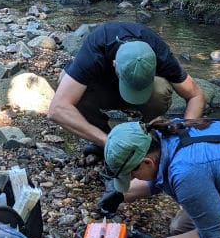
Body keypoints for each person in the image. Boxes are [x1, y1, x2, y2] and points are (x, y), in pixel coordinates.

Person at [47, 21, 205, 156]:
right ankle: (102, 135)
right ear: (114, 64)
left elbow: (196, 95)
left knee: (161, 90)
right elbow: (56, 109)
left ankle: (147, 132)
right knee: (67, 88)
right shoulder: (96, 49)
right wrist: (108, 142)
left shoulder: (158, 52)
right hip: (101, 90)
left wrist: (185, 133)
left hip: (145, 94)